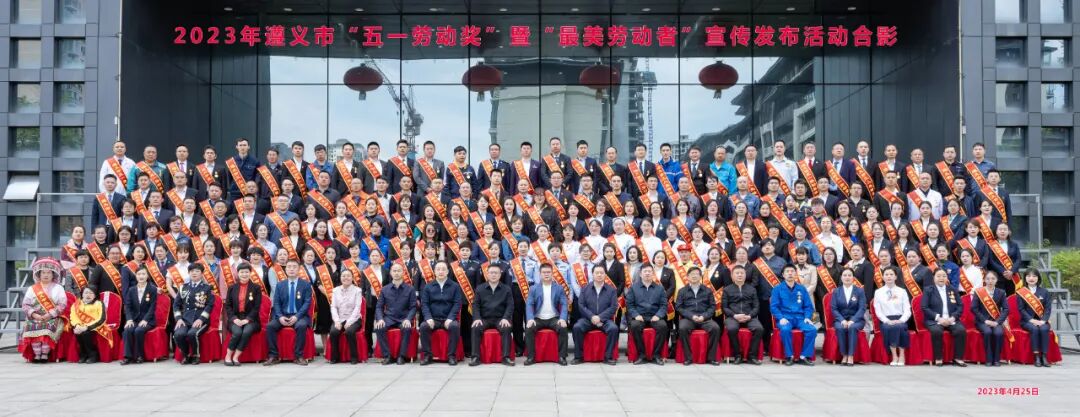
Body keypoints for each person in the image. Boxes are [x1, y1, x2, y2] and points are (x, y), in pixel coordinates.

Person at [265, 259, 314, 366]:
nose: (291, 269)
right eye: (289, 267)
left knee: (301, 326)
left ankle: (298, 356)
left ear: (299, 269)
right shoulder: (280, 285)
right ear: (285, 269)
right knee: (270, 327)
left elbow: (307, 303)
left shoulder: (306, 285)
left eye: (294, 267)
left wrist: (297, 317)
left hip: (300, 316)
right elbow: (276, 303)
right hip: (283, 315)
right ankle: (273, 356)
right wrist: (280, 316)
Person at [571, 264, 619, 365]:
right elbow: (581, 305)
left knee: (613, 328)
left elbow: (613, 307)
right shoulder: (585, 288)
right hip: (588, 319)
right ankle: (579, 356)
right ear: (592, 274)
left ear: (605, 274)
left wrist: (600, 318)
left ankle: (608, 357)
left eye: (602, 273)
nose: (599, 275)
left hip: (605, 320)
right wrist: (592, 317)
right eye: (597, 273)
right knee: (577, 327)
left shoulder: (611, 290)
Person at [524, 263, 570, 366]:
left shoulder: (559, 288)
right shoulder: (533, 288)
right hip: (538, 318)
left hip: (553, 318)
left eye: (548, 272)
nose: (546, 274)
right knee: (529, 329)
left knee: (563, 328)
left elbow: (564, 304)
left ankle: (562, 356)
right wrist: (530, 318)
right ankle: (531, 357)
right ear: (540, 274)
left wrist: (563, 318)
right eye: (544, 272)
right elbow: (529, 304)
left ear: (552, 274)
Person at [770, 264, 816, 366]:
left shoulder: (802, 289)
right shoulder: (777, 289)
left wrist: (807, 317)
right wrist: (780, 318)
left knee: (812, 330)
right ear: (783, 274)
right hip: (785, 318)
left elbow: (808, 306)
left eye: (792, 271)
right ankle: (789, 356)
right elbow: (774, 307)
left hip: (800, 318)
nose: (790, 273)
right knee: (785, 330)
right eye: (787, 271)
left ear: (796, 273)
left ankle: (804, 356)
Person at [418, 261, 463, 366]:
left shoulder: (455, 286)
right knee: (423, 327)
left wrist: (450, 318)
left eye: (443, 269)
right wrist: (428, 318)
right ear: (434, 271)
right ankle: (427, 355)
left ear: (447, 271)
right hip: (433, 319)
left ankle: (451, 356)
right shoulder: (428, 286)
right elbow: (424, 304)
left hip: (448, 319)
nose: (441, 271)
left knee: (455, 327)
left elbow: (457, 304)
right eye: (438, 269)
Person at [470, 264, 515, 366]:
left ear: (500, 275)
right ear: (487, 274)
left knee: (506, 328)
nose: (493, 275)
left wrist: (505, 318)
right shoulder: (480, 288)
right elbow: (475, 305)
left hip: (500, 318)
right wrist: (477, 318)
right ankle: (475, 357)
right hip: (484, 319)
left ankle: (506, 357)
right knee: (475, 327)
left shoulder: (506, 289)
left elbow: (510, 305)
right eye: (491, 273)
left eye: (496, 273)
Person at [921, 268, 968, 366]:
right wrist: (938, 318)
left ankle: (958, 358)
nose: (941, 278)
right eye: (938, 276)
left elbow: (960, 306)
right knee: (937, 331)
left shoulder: (952, 289)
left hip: (951, 319)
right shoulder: (928, 290)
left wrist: (953, 318)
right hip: (934, 319)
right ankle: (938, 358)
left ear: (947, 278)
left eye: (944, 276)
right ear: (933, 278)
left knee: (961, 330)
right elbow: (924, 307)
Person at [675, 267, 721, 366]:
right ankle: (688, 358)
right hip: (689, 319)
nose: (694, 276)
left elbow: (712, 307)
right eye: (692, 274)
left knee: (715, 328)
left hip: (704, 318)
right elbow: (679, 307)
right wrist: (691, 316)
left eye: (696, 274)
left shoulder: (707, 290)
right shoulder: (682, 291)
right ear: (687, 277)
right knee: (682, 328)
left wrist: (704, 316)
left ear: (700, 277)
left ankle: (711, 358)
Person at [374, 262, 417, 365]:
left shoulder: (410, 289)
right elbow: (379, 307)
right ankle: (387, 356)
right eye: (394, 271)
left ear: (403, 272)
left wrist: (408, 319)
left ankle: (402, 356)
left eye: (399, 271)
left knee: (406, 329)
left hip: (404, 318)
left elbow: (413, 307)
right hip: (389, 318)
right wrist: (380, 319)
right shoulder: (385, 289)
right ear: (390, 273)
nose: (396, 273)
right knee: (379, 328)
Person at [172, 263, 216, 365]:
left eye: (197, 271)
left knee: (192, 334)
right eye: (192, 271)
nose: (194, 273)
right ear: (188, 273)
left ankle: (196, 355)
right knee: (178, 335)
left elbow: (209, 305)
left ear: (202, 274)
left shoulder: (207, 288)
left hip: (201, 319)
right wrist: (178, 319)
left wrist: (201, 319)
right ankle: (186, 354)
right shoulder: (183, 287)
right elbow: (176, 305)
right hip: (185, 319)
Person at [625, 264, 669, 365]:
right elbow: (629, 305)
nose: (647, 273)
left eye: (649, 271)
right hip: (639, 316)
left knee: (663, 326)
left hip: (654, 316)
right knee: (635, 326)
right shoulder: (633, 288)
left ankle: (656, 355)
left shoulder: (659, 288)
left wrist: (658, 315)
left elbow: (664, 305)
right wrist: (636, 315)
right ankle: (642, 355)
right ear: (640, 274)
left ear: (653, 273)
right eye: (645, 271)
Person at [721, 265, 763, 365]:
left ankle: (752, 356)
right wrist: (734, 315)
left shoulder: (752, 289)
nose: (740, 275)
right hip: (733, 317)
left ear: (745, 275)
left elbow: (756, 307)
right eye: (737, 273)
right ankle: (737, 355)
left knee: (759, 329)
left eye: (742, 273)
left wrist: (749, 316)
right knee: (732, 329)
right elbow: (724, 307)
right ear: (732, 276)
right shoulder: (727, 289)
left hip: (749, 316)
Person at [224, 263, 263, 366]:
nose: (244, 274)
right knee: (237, 332)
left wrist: (247, 319)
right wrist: (234, 318)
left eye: (246, 272)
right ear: (238, 273)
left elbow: (256, 307)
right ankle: (228, 356)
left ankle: (236, 357)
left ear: (250, 273)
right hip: (235, 318)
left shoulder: (256, 288)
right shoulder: (232, 288)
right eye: (242, 272)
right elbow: (228, 306)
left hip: (251, 319)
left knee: (246, 332)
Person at [829, 268, 866, 366]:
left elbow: (862, 308)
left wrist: (853, 320)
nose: (847, 277)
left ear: (853, 277)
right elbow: (834, 309)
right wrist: (842, 320)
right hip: (840, 319)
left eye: (850, 275)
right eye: (845, 275)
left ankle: (850, 355)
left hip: (857, 320)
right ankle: (844, 354)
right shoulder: (836, 291)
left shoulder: (859, 291)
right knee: (840, 328)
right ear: (841, 278)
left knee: (852, 328)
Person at [971, 271, 1008, 366]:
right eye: (988, 279)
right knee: (987, 332)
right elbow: (974, 308)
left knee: (999, 333)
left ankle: (996, 359)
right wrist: (984, 320)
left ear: (996, 280)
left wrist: (998, 322)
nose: (990, 281)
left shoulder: (1001, 292)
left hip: (996, 321)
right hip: (982, 321)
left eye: (993, 279)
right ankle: (989, 358)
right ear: (984, 280)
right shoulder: (979, 292)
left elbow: (1006, 309)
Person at [328, 267, 364, 364]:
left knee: (349, 331)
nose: (346, 278)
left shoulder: (357, 291)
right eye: (343, 276)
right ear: (340, 278)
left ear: (352, 278)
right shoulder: (335, 290)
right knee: (333, 332)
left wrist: (349, 322)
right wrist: (336, 321)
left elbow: (357, 308)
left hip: (354, 319)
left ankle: (354, 357)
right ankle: (335, 357)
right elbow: (333, 307)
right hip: (340, 318)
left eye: (348, 276)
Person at [121, 267, 157, 365]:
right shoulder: (131, 290)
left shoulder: (152, 289)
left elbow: (152, 307)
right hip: (134, 319)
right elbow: (128, 306)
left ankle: (139, 356)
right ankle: (127, 357)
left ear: (147, 276)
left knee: (139, 330)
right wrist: (129, 319)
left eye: (143, 274)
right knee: (127, 330)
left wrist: (145, 320)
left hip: (148, 320)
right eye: (139, 274)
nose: (141, 276)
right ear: (136, 276)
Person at [1017, 269, 1053, 367]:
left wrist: (1043, 321)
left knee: (1044, 329)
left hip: (1042, 321)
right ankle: (1036, 356)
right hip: (1027, 321)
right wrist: (1031, 320)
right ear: (1025, 278)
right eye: (1028, 276)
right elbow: (1021, 310)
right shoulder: (1021, 292)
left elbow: (1048, 309)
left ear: (1038, 278)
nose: (1031, 278)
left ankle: (1044, 356)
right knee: (1034, 329)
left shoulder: (1044, 292)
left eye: (1034, 276)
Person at [69, 287, 106, 364]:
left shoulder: (99, 303)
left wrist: (87, 327)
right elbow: (73, 317)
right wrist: (77, 325)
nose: (88, 295)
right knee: (78, 333)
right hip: (80, 326)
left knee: (86, 333)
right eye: (86, 293)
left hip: (96, 326)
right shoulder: (76, 304)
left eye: (91, 293)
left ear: (95, 295)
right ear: (82, 294)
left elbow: (101, 319)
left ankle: (93, 355)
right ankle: (83, 355)